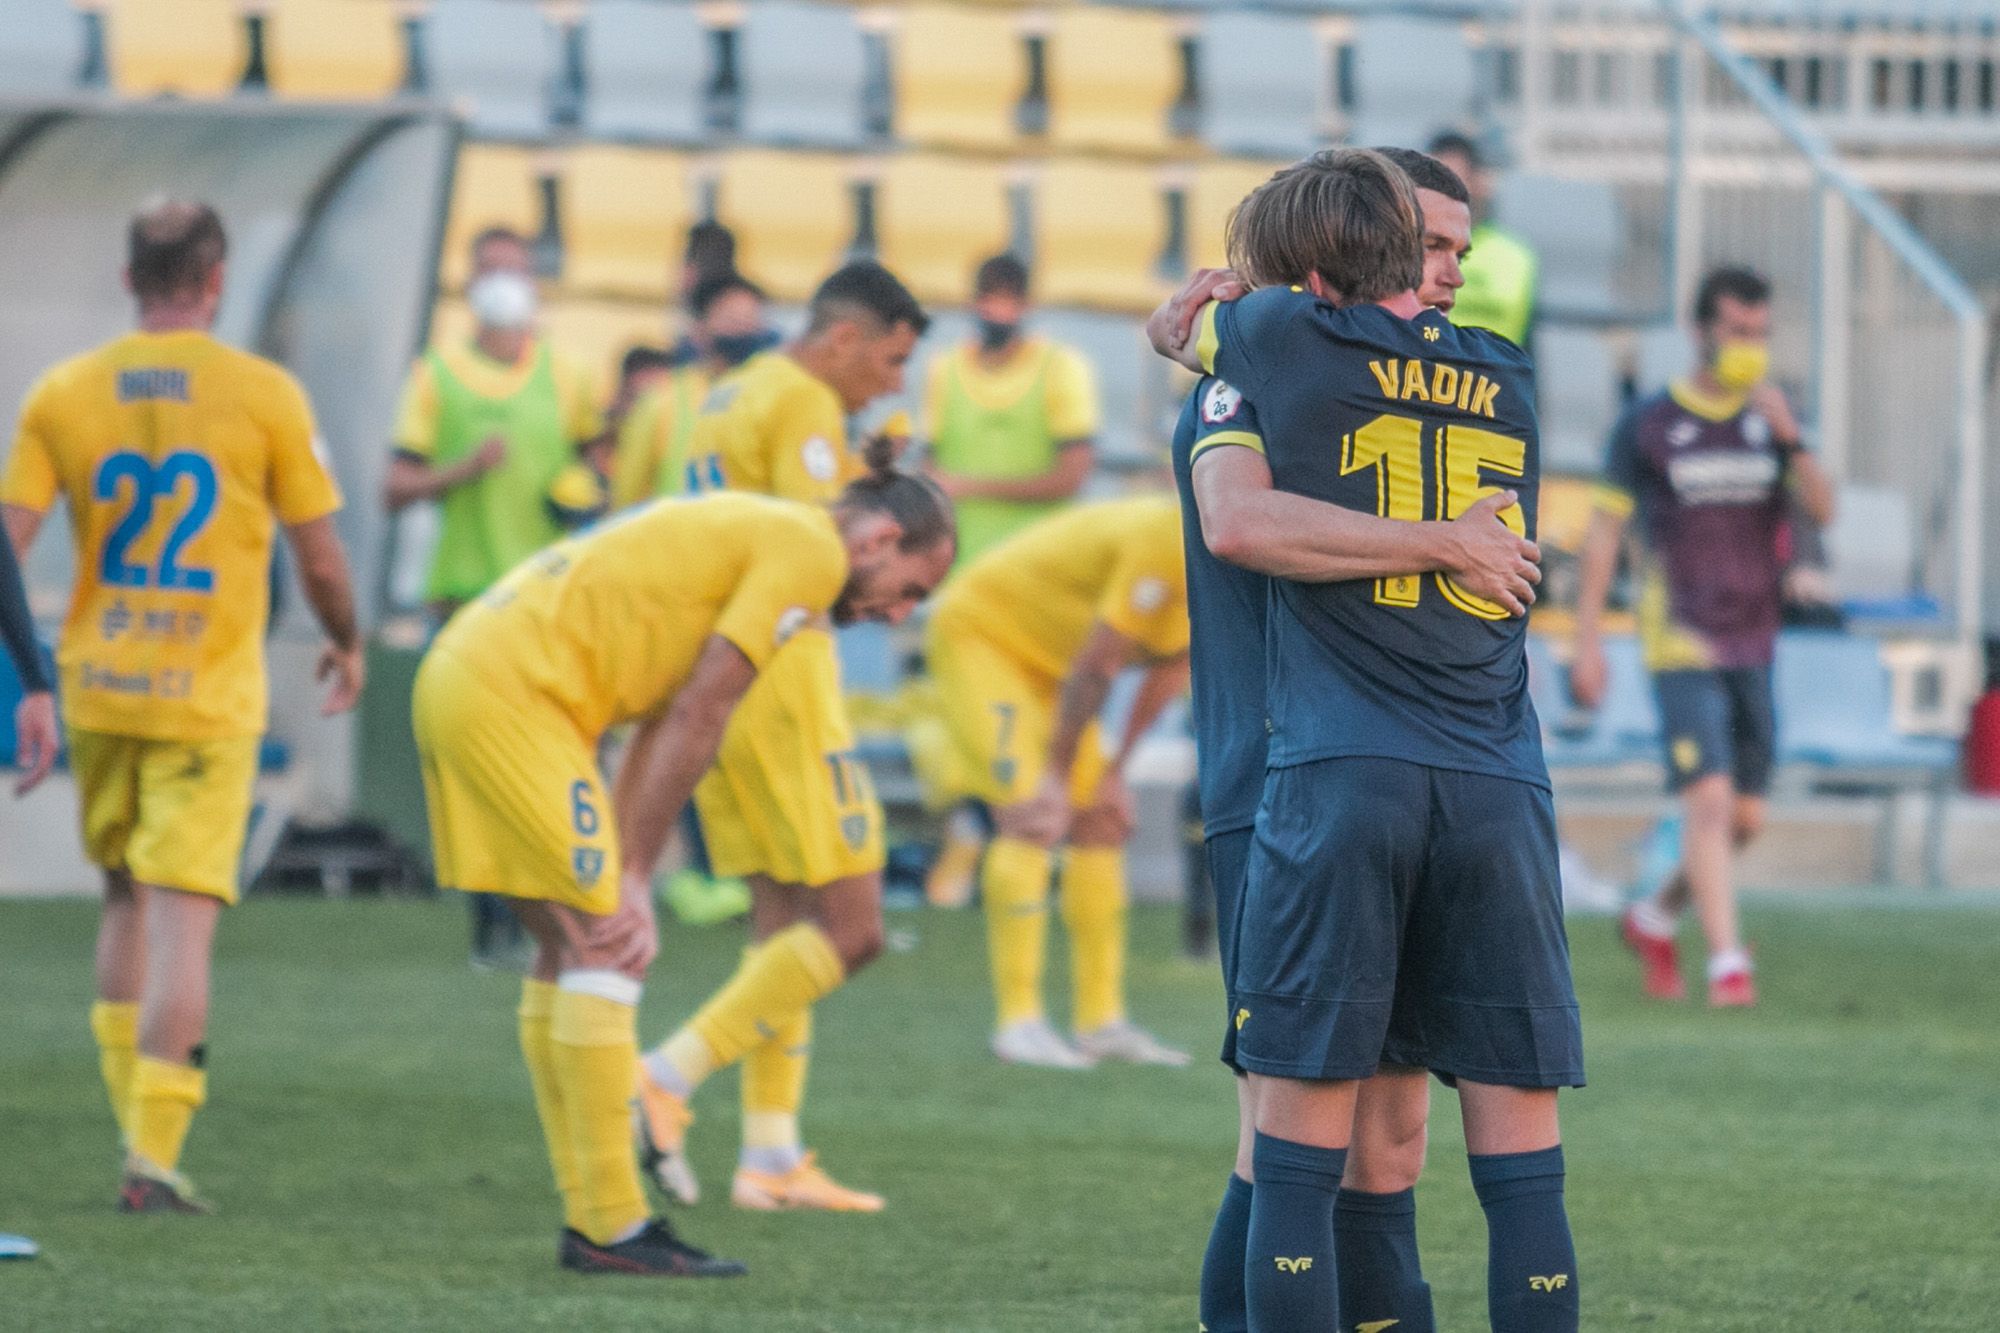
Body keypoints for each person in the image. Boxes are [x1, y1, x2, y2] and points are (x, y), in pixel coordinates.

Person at [1154, 148, 1582, 1332]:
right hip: (1278, 768)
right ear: (1345, 255)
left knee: (1381, 1142)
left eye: (1454, 247)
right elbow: (1237, 521)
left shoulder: (1276, 353)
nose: (1444, 271)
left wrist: (1195, 317)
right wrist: (1446, 538)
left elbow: (1208, 328)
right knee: (1292, 1132)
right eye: (1424, 245)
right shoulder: (1250, 386)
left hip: (1370, 764)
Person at [412, 475, 953, 1275]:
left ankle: (598, 1218)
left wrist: (628, 863)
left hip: (470, 673)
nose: (900, 613)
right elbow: (704, 708)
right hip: (516, 695)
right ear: (874, 540)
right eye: (909, 590)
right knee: (610, 947)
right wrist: (632, 873)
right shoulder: (808, 547)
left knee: (568, 952)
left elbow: (666, 714)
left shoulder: (768, 529)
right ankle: (613, 1226)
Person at [1, 200, 363, 1213]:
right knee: (183, 928)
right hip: (205, 699)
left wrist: (28, 679)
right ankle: (150, 1160)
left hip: (101, 687)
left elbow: (7, 541)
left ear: (129, 280)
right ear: (215, 279)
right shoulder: (263, 395)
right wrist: (345, 635)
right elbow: (321, 553)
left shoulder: (65, 392)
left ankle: (135, 1129)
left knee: (123, 895)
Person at [636, 262, 935, 1214]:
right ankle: (666, 1076)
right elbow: (827, 552)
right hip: (783, 676)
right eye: (889, 359)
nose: (891, 380)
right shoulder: (802, 398)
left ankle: (769, 1153)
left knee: (782, 925)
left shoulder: (727, 394)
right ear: (843, 337)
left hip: (720, 670)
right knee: (854, 928)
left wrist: (859, 465)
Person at [1571, 266, 1835, 1007]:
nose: (1750, 345)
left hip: (1755, 639)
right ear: (1700, 332)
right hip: (1680, 639)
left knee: (1745, 818)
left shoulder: (1773, 421)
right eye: (1736, 331)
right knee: (1711, 805)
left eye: (1760, 333)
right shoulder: (1648, 425)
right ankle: (1728, 963)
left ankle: (1653, 914)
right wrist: (1589, 642)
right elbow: (1603, 537)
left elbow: (1825, 508)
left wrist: (1794, 440)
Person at [383, 223, 605, 969]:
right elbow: (393, 485)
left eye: (513, 270)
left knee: (558, 758)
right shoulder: (436, 375)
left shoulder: (568, 375)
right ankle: (492, 924)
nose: (503, 285)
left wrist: (584, 494)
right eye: (489, 272)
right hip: (465, 595)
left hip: (551, 601)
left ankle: (559, 909)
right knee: (477, 767)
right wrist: (462, 470)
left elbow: (596, 463)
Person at [927, 495, 1193, 1069]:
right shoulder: (1164, 536)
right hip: (985, 640)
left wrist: (1117, 774)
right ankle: (1017, 1023)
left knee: (1101, 821)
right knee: (1034, 811)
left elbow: (1174, 665)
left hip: (1056, 670)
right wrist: (1054, 774)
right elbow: (1099, 666)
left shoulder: (1240, 558)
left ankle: (1100, 1022)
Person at [920, 254, 1099, 572]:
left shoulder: (1059, 367)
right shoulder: (944, 368)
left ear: (1026, 306)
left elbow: (1072, 477)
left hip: (1039, 567)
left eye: (1008, 301)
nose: (997, 313)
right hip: (960, 569)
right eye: (989, 300)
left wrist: (969, 486)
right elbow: (929, 470)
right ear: (972, 302)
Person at [611, 272, 773, 508]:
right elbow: (628, 493)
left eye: (751, 322)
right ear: (699, 329)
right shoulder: (661, 399)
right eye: (732, 321)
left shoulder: (771, 396)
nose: (743, 332)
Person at [1426, 131, 1538, 347]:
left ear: (1480, 184)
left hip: (1492, 371)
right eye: (1434, 183)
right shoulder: (1407, 251)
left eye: (1455, 180)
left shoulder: (1515, 256)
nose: (1443, 193)